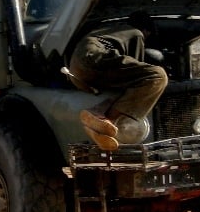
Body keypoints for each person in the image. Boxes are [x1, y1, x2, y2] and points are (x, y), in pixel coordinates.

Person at [66, 16, 168, 151]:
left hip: (77, 67)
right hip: (94, 59)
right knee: (157, 76)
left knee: (120, 88)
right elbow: (137, 77)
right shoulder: (136, 33)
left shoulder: (112, 30)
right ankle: (107, 120)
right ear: (146, 30)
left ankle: (96, 119)